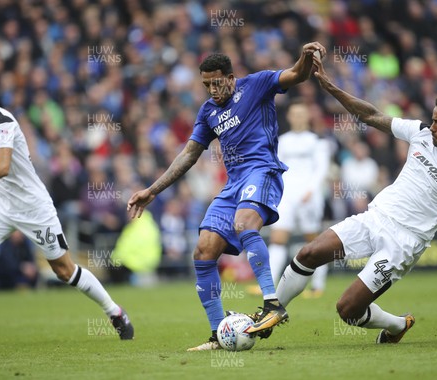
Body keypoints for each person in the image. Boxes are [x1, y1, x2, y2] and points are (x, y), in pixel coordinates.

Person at [251, 55, 437, 343]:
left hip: (403, 242)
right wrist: (330, 87)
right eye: (432, 119)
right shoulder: (421, 133)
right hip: (375, 218)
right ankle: (273, 312)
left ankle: (398, 325)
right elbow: (370, 115)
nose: (432, 126)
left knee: (348, 310)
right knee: (308, 254)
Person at [127, 43, 327, 351]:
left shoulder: (257, 84)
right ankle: (218, 335)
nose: (211, 89)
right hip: (233, 185)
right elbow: (188, 155)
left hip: (262, 172)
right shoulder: (208, 112)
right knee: (203, 251)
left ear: (231, 78)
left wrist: (304, 57)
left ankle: (273, 304)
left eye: (216, 83)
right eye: (205, 84)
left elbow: (297, 76)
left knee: (244, 222)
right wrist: (152, 190)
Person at [0, 78, 133, 343]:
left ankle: (116, 313)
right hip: (2, 206)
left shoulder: (2, 122)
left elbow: (3, 166)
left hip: (33, 208)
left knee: (64, 271)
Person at [267, 100, 331, 298]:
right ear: (289, 117)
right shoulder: (283, 141)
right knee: (278, 238)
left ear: (308, 116)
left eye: (301, 113)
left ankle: (317, 285)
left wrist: (312, 190)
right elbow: (276, 168)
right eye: (294, 114)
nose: (297, 117)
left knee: (312, 240)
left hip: (308, 195)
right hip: (286, 195)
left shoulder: (318, 141)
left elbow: (322, 168)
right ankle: (269, 285)